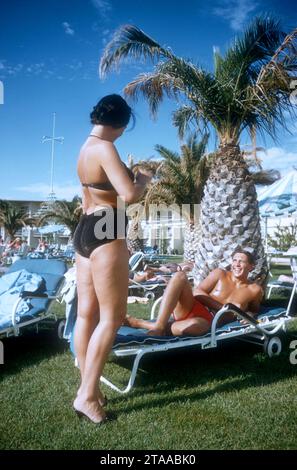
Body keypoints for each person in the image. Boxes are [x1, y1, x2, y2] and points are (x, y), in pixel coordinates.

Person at [72, 94, 151, 424]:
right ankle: (88, 396)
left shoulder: (84, 150)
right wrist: (144, 179)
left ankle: (87, 387)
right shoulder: (106, 148)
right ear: (119, 123)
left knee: (85, 315)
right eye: (123, 128)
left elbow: (93, 192)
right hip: (107, 227)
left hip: (85, 229)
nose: (121, 134)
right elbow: (130, 195)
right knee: (113, 316)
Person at [125, 249, 263, 336]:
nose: (236, 264)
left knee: (195, 327)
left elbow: (254, 310)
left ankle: (138, 323)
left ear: (251, 266)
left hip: (208, 320)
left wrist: (249, 315)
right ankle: (159, 326)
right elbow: (197, 292)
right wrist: (224, 308)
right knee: (180, 276)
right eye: (234, 260)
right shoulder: (220, 274)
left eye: (242, 261)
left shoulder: (255, 290)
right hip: (192, 306)